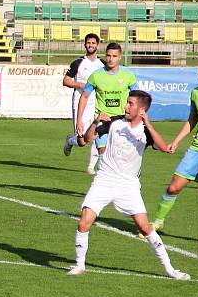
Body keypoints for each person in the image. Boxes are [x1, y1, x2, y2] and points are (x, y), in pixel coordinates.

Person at [68, 90, 189, 280]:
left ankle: (170, 270)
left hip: (128, 185)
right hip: (104, 179)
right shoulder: (115, 122)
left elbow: (165, 149)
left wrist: (147, 123)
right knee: (84, 222)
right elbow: (86, 139)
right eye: (127, 102)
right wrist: (95, 121)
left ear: (142, 109)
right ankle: (79, 265)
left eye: (130, 104)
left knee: (144, 227)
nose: (126, 106)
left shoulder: (145, 132)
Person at [151, 54, 198, 247]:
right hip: (196, 149)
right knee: (174, 187)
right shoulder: (196, 93)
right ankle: (157, 222)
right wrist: (177, 141)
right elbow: (192, 120)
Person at [75, 42, 138, 157]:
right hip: (102, 119)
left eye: (114, 56)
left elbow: (136, 98)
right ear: (105, 56)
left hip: (122, 120)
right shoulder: (96, 75)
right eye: (108, 56)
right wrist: (79, 119)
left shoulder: (128, 75)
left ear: (120, 57)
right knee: (102, 154)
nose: (111, 59)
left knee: (121, 155)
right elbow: (84, 96)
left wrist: (136, 117)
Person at [62, 33, 104, 174]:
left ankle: (91, 166)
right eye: (88, 43)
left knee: (97, 134)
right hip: (81, 101)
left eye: (93, 43)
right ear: (85, 44)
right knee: (82, 141)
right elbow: (66, 81)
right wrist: (80, 84)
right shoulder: (78, 63)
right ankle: (70, 140)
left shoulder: (102, 64)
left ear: (98, 45)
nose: (91, 45)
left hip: (98, 102)